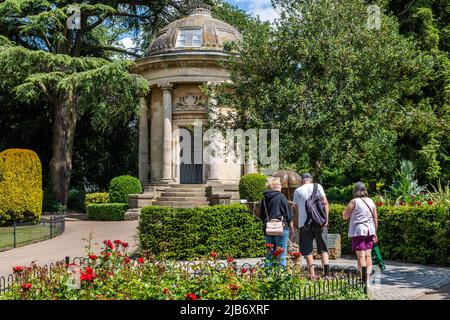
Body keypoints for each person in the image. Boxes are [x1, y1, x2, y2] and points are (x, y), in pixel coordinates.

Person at [293, 173, 329, 278]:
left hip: (304, 224)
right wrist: (326, 220)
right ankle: (325, 274)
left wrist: (296, 224)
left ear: (302, 181)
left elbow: (296, 210)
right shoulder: (318, 187)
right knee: (323, 249)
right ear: (311, 180)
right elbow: (325, 203)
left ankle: (312, 274)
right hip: (319, 222)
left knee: (308, 250)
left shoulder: (297, 191)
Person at [342, 182, 378, 283]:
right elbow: (375, 218)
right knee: (368, 256)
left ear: (355, 191)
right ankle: (367, 278)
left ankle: (363, 279)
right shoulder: (371, 201)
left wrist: (343, 212)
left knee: (361, 256)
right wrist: (375, 232)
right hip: (370, 231)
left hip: (359, 231)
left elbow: (345, 216)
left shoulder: (354, 201)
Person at [260, 177, 294, 268]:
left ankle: (268, 275)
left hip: (268, 228)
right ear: (275, 186)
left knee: (269, 253)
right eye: (279, 184)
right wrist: (292, 227)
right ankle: (281, 277)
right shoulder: (281, 196)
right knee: (281, 253)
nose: (281, 187)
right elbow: (288, 213)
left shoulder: (264, 198)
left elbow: (261, 215)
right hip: (281, 227)